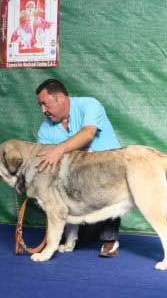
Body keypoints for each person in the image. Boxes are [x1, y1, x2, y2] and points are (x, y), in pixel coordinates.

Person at [34, 78, 122, 258]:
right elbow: (46, 161)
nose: (43, 110)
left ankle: (109, 239)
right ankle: (71, 235)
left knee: (112, 192)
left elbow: (88, 133)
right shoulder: (45, 129)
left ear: (60, 98)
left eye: (45, 104)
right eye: (40, 105)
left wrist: (58, 150)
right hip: (76, 180)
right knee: (84, 238)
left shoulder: (90, 104)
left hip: (109, 169)